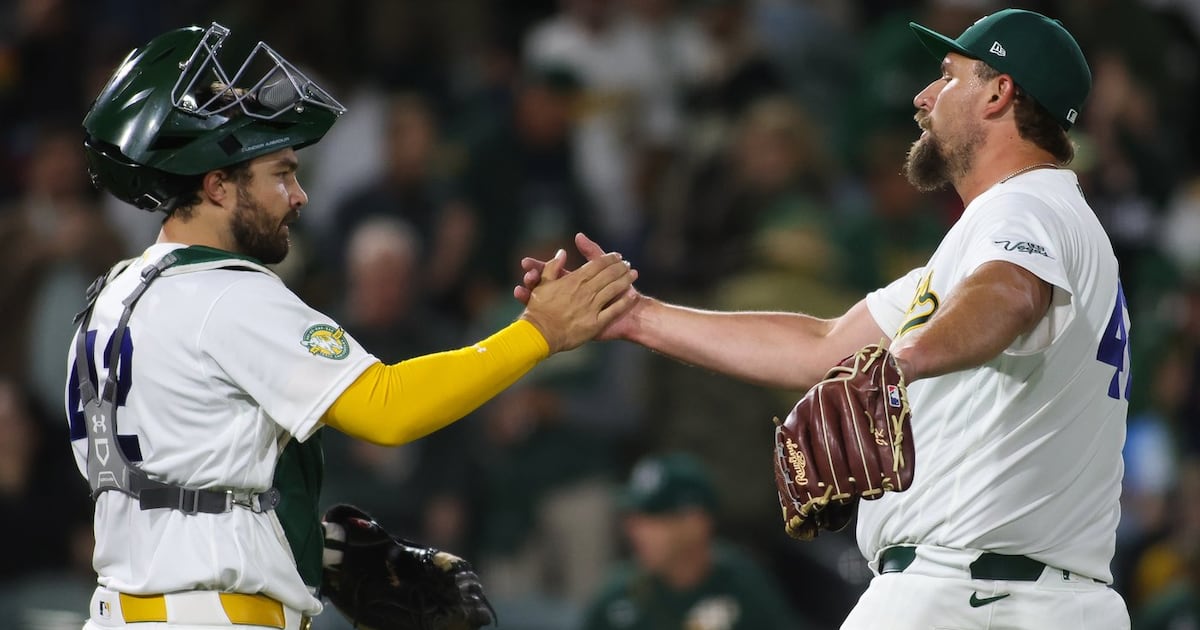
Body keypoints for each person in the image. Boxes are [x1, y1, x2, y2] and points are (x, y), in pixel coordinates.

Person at [519, 8, 1132, 629]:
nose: (923, 97)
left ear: (999, 93)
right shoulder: (1037, 222)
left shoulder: (1022, 206)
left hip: (966, 595)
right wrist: (636, 317)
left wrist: (897, 364)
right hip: (1054, 599)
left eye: (948, 77)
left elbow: (1011, 295)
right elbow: (823, 344)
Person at [68, 22, 637, 630]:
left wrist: (310, 542)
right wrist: (538, 332)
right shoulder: (226, 293)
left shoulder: (111, 296)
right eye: (281, 174)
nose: (299, 195)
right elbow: (388, 409)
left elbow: (175, 481)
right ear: (217, 187)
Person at [580, 451, 804, 630]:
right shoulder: (616, 598)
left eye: (654, 519)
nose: (636, 531)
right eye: (634, 519)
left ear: (696, 524)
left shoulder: (742, 584)